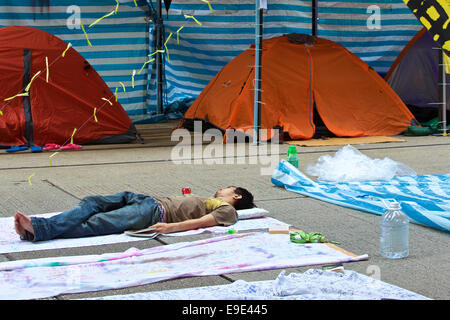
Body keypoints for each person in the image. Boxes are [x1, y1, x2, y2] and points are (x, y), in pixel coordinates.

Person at [13, 186, 255, 242]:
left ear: (236, 196)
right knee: (92, 202)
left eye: (228, 187)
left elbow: (203, 222)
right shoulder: (210, 200)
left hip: (154, 212)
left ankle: (38, 229)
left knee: (96, 223)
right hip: (146, 201)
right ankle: (37, 229)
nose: (222, 188)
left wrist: (170, 228)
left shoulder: (228, 211)